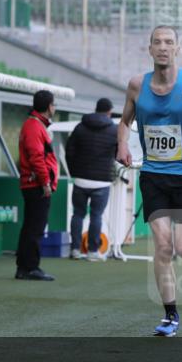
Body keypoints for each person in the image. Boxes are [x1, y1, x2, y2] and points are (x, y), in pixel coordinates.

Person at [116, 26, 182, 337]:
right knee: (163, 248)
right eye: (157, 42)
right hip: (153, 177)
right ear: (150, 49)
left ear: (177, 49)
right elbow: (125, 121)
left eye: (169, 43)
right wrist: (121, 143)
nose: (163, 47)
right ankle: (170, 316)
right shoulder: (137, 85)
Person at [65, 97, 118, 261]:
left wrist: (74, 171)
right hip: (102, 181)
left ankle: (74, 249)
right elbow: (118, 154)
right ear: (109, 112)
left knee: (78, 214)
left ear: (96, 109)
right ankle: (93, 251)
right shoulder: (114, 130)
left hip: (80, 179)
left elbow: (69, 151)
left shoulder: (80, 127)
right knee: (96, 215)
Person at [15, 90, 59, 281]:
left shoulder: (34, 125)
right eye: (54, 104)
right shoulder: (34, 126)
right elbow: (36, 158)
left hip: (33, 183)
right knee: (35, 227)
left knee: (31, 227)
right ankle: (30, 267)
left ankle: (24, 267)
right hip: (36, 185)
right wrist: (45, 182)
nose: (55, 107)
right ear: (49, 106)